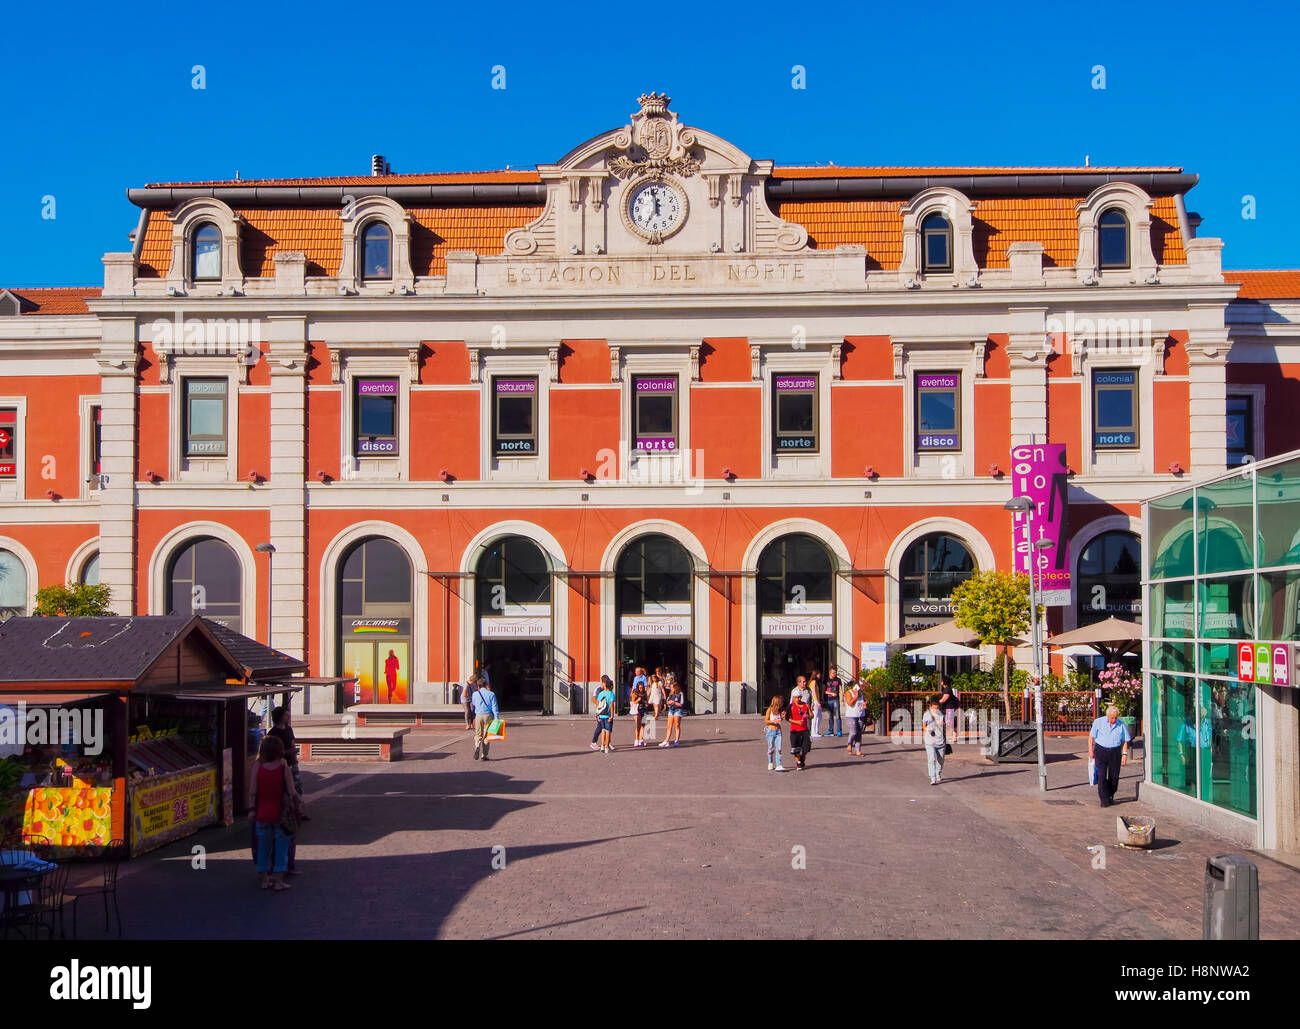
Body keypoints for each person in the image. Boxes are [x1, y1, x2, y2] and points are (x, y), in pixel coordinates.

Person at [248, 734, 296, 891]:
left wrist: (252, 810)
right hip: (280, 815)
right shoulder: (283, 767)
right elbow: (291, 791)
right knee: (281, 848)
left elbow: (253, 791)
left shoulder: (258, 766)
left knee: (263, 848)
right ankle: (279, 881)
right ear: (279, 750)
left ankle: (264, 880)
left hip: (262, 813)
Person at [1088, 704, 1131, 807]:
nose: (1114, 720)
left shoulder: (1121, 724)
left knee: (1114, 777)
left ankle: (1110, 794)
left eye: (1116, 717)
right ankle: (1104, 799)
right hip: (1101, 751)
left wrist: (1124, 755)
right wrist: (1090, 750)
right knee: (1101, 776)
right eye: (1112, 717)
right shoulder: (1099, 722)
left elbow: (1125, 741)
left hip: (1115, 752)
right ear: (1107, 716)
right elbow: (1091, 737)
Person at [471, 677, 500, 761]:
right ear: (486, 685)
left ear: (478, 686)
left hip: (478, 715)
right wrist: (497, 718)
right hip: (488, 715)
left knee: (478, 734)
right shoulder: (491, 694)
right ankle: (484, 755)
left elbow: (474, 704)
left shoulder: (475, 694)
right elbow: (495, 707)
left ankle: (477, 746)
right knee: (487, 735)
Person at [922, 695, 947, 785]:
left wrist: (943, 723)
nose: (936, 709)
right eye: (934, 707)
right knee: (931, 759)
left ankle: (938, 773)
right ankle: (932, 778)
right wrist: (927, 729)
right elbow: (924, 725)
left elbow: (947, 724)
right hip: (930, 741)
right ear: (931, 706)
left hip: (940, 741)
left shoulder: (942, 714)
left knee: (940, 760)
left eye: (937, 707)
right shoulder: (926, 714)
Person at [788, 690, 812, 770]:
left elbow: (812, 715)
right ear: (793, 698)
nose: (797, 699)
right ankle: (798, 763)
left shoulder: (806, 705)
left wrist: (807, 716)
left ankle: (802, 757)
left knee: (806, 747)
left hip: (804, 730)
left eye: (799, 697)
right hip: (795, 730)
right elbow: (787, 718)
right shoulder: (791, 706)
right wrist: (797, 722)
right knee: (795, 748)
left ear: (801, 697)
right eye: (795, 697)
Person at [763, 695, 787, 771]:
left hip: (778, 731)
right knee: (771, 748)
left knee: (779, 748)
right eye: (781, 702)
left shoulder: (779, 711)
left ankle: (779, 764)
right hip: (771, 731)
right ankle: (770, 762)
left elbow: (780, 720)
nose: (782, 704)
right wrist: (773, 722)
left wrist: (782, 717)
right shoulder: (769, 710)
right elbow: (766, 720)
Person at [660, 674, 684, 747]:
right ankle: (667, 740)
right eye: (670, 688)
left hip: (678, 710)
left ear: (675, 688)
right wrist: (669, 703)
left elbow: (681, 704)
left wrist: (673, 702)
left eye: (672, 688)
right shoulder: (670, 694)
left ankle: (676, 740)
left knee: (677, 725)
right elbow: (667, 702)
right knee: (669, 726)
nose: (671, 689)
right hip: (671, 710)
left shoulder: (680, 694)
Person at [595, 675, 616, 753]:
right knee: (608, 731)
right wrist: (612, 715)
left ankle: (602, 746)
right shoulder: (611, 694)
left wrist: (597, 715)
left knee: (603, 730)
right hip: (608, 715)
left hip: (601, 715)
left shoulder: (601, 693)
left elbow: (598, 704)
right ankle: (607, 746)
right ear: (611, 686)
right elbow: (611, 705)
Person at [842, 679, 862, 756]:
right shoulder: (848, 692)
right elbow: (850, 703)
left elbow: (863, 701)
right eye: (857, 686)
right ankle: (849, 744)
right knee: (853, 732)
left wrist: (865, 704)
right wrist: (856, 696)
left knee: (859, 733)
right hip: (851, 715)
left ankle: (858, 750)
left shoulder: (861, 692)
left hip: (860, 715)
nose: (858, 688)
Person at [938, 674, 960, 740]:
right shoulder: (945, 689)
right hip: (945, 708)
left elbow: (944, 699)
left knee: (951, 722)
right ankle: (950, 735)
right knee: (946, 721)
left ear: (945, 681)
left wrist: (936, 702)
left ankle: (954, 736)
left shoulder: (948, 690)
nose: (941, 682)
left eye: (942, 680)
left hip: (949, 708)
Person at [823, 670, 843, 738]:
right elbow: (824, 691)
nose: (835, 674)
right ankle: (830, 730)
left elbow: (840, 689)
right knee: (830, 716)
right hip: (829, 700)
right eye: (833, 673)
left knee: (838, 716)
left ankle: (839, 731)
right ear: (830, 673)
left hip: (836, 700)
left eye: (835, 673)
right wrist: (831, 693)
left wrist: (842, 699)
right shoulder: (826, 680)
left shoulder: (838, 680)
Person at [630, 680, 648, 747]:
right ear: (637, 687)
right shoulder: (635, 693)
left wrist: (646, 703)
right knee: (638, 725)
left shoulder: (644, 693)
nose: (641, 689)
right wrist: (637, 700)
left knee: (643, 725)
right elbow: (633, 702)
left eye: (642, 687)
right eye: (640, 688)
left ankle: (641, 740)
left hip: (644, 709)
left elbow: (647, 700)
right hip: (637, 710)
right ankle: (636, 739)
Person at [808, 672, 823, 737]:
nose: (820, 675)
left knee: (819, 716)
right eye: (819, 674)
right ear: (816, 674)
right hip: (815, 701)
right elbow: (813, 691)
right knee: (815, 716)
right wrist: (817, 701)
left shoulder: (815, 682)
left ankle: (816, 731)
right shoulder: (813, 681)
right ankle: (813, 732)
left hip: (816, 700)